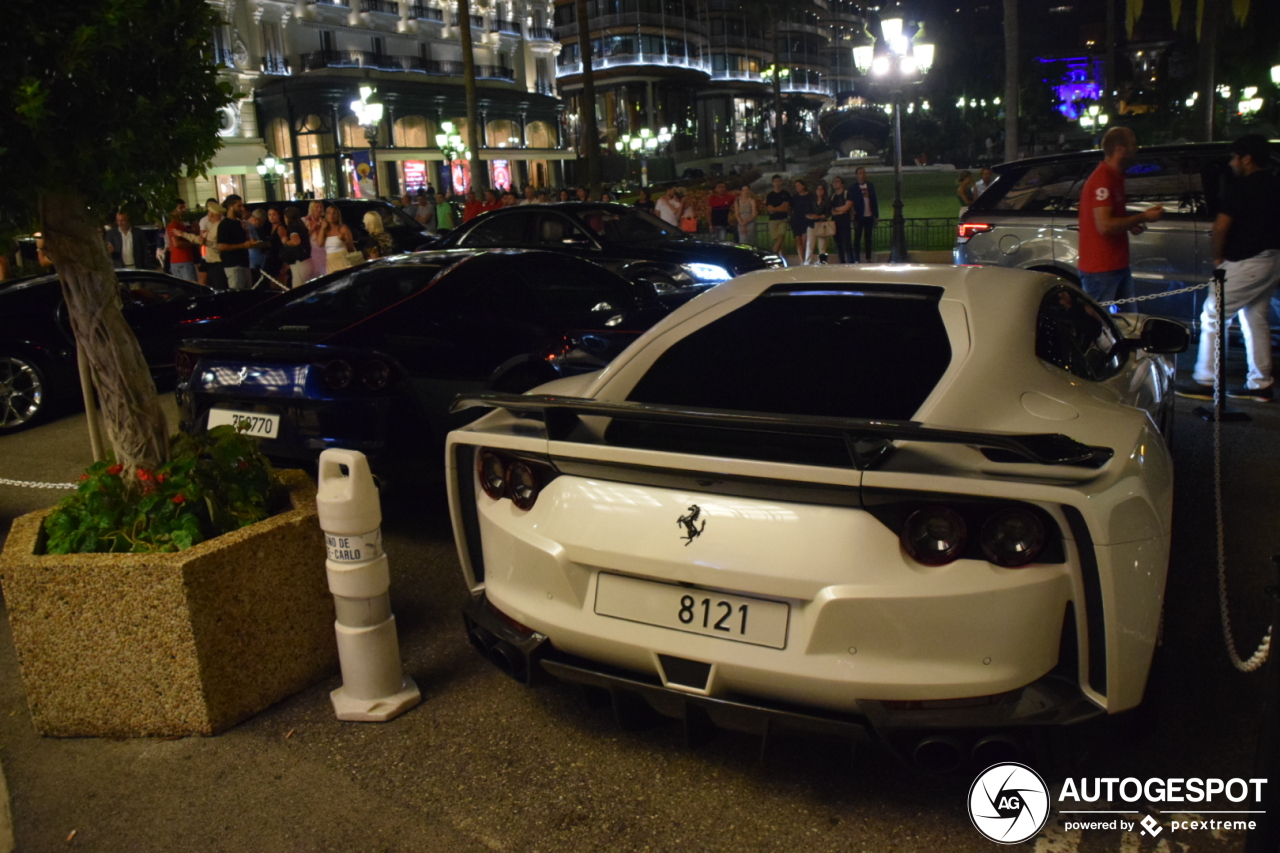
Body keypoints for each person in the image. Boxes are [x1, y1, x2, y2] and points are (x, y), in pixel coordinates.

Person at [1177, 135, 1280, 402]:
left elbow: (1220, 226)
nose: (1232, 163)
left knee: (1213, 314)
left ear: (1246, 158)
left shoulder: (1241, 187)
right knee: (1255, 319)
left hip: (1245, 261)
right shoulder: (1275, 184)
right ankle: (1261, 384)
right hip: (1271, 260)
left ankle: (1205, 379)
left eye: (1235, 157)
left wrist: (1218, 259)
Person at [1077, 126, 1164, 304]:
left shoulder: (1114, 177)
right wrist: (1143, 217)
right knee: (1102, 325)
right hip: (1101, 267)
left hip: (1114, 265)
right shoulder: (1103, 179)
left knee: (1125, 323)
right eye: (1133, 144)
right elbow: (1106, 225)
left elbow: (1109, 218)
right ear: (1120, 150)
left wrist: (1129, 223)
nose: (1137, 149)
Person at [216, 195, 263, 291]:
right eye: (239, 206)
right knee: (237, 295)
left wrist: (249, 238)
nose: (242, 209)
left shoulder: (239, 223)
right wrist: (243, 245)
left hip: (244, 264)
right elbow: (221, 246)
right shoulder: (225, 224)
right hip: (234, 265)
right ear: (231, 207)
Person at [312, 205, 356, 274]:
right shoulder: (325, 230)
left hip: (342, 260)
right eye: (329, 213)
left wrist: (344, 240)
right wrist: (322, 228)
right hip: (330, 262)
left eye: (334, 213)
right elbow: (319, 244)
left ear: (338, 216)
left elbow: (351, 248)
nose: (331, 215)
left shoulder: (343, 228)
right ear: (326, 215)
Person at [166, 200, 200, 282]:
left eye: (184, 207)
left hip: (181, 260)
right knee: (191, 286)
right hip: (183, 260)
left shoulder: (180, 224)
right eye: (181, 208)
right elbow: (177, 244)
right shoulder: (174, 224)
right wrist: (193, 243)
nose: (184, 210)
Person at [851, 167, 878, 263]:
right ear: (856, 175)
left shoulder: (870, 185)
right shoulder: (853, 187)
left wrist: (876, 215)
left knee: (868, 238)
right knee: (857, 238)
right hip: (859, 216)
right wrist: (853, 216)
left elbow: (874, 200)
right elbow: (851, 203)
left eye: (864, 173)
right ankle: (857, 258)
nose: (862, 175)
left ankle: (868, 258)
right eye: (860, 173)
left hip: (869, 216)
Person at [280, 207, 310, 289]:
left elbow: (296, 241)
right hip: (308, 262)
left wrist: (285, 242)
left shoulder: (292, 228)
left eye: (285, 217)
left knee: (298, 290)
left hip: (299, 264)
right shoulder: (302, 227)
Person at [201, 202, 227, 290]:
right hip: (213, 263)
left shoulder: (217, 226)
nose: (208, 216)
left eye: (209, 213)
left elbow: (217, 246)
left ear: (212, 214)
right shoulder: (216, 226)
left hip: (217, 264)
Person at [764, 174, 791, 255]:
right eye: (775, 181)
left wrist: (775, 208)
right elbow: (770, 210)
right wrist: (780, 207)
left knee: (781, 237)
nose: (777, 183)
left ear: (781, 182)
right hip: (773, 220)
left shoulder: (785, 194)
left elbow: (786, 208)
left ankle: (773, 253)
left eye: (779, 181)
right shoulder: (770, 195)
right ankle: (781, 258)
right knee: (777, 241)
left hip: (783, 219)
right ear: (773, 183)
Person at [806, 182, 832, 264]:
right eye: (818, 189)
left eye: (821, 189)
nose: (819, 191)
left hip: (821, 225)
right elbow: (807, 212)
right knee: (810, 245)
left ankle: (822, 262)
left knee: (822, 246)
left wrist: (819, 216)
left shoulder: (826, 201)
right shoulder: (811, 201)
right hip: (812, 225)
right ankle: (807, 262)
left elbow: (828, 214)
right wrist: (811, 216)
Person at [830, 176, 854, 264]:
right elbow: (831, 210)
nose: (835, 183)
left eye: (837, 181)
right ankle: (842, 262)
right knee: (838, 244)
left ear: (842, 184)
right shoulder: (833, 196)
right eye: (834, 182)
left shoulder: (847, 194)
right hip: (835, 222)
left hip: (845, 221)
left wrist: (837, 210)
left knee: (847, 243)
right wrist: (840, 210)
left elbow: (847, 207)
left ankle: (851, 262)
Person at [789, 179, 814, 265]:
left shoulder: (810, 196)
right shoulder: (794, 197)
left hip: (806, 220)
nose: (797, 188)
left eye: (798, 185)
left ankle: (806, 260)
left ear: (803, 186)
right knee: (798, 241)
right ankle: (802, 260)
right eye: (796, 186)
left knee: (804, 240)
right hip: (796, 220)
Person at [304, 200, 327, 282]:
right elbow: (303, 236)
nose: (319, 209)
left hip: (323, 252)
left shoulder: (325, 221)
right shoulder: (305, 220)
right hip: (312, 252)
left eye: (321, 207)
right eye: (316, 207)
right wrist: (313, 228)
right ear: (311, 209)